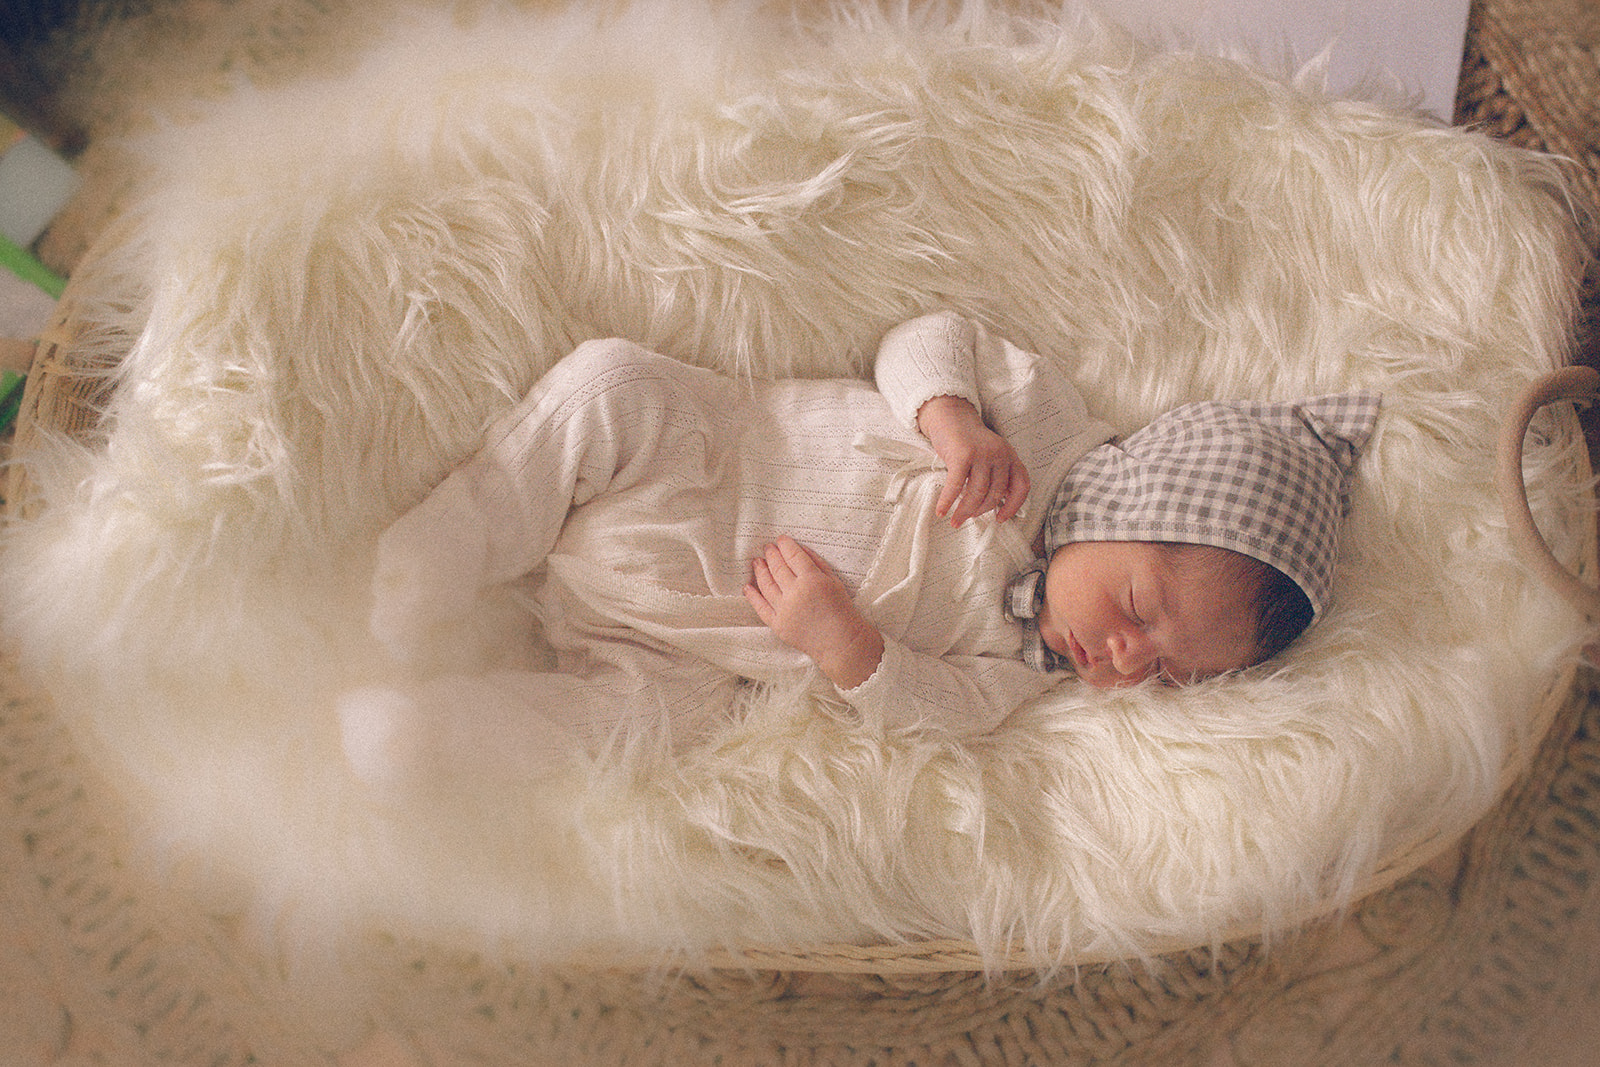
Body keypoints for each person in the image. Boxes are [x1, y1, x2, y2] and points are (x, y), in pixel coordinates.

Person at [337, 312, 1378, 786]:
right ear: (1137, 497)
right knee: (611, 383)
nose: (1122, 657)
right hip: (701, 464)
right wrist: (951, 420)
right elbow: (924, 334)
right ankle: (434, 557)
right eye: (1143, 610)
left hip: (693, 643)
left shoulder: (1020, 671)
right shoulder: (1041, 426)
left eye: (1165, 672)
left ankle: (425, 732)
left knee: (645, 729)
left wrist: (847, 647)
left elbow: (933, 713)